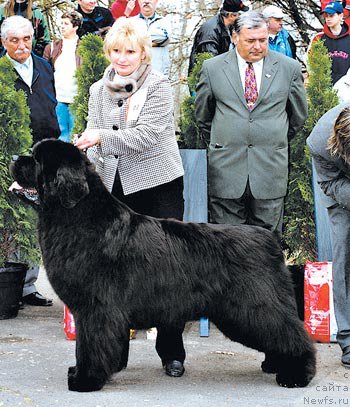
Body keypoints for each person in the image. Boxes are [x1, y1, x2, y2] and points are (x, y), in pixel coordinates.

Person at [74, 17, 185, 378]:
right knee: (114, 275)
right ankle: (114, 356)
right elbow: (95, 139)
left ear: (143, 53)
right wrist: (84, 155)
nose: (122, 58)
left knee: (168, 270)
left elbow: (149, 135)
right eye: (117, 51)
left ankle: (171, 351)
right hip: (115, 189)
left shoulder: (159, 85)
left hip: (158, 186)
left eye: (130, 51)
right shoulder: (96, 90)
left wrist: (101, 137)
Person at [195, 11, 307, 235]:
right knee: (227, 243)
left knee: (268, 244)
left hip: (269, 169)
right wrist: (227, 139)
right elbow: (203, 116)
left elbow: (297, 117)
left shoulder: (289, 69)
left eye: (263, 40)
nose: (257, 46)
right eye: (250, 40)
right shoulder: (212, 69)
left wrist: (271, 139)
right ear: (235, 37)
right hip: (226, 170)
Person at [1, 15, 60, 306]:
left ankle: (27, 285)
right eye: (14, 40)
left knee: (37, 215)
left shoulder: (45, 66)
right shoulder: (0, 70)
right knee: (13, 220)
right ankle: (8, 281)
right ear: (4, 42)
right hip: (12, 151)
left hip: (43, 151)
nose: (22, 45)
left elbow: (51, 102)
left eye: (26, 39)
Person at [306, 103, 350, 368]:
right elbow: (329, 183)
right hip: (342, 192)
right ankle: (348, 339)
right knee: (344, 259)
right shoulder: (320, 142)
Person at [43, 11, 83, 143]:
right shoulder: (52, 47)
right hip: (58, 99)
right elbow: (45, 72)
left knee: (76, 136)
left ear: (75, 26)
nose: (62, 26)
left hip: (77, 100)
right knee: (61, 136)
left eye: (66, 23)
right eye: (61, 23)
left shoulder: (84, 47)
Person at [188, 0, 249, 76]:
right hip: (205, 80)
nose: (240, 18)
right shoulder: (210, 32)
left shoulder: (229, 28)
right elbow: (210, 63)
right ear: (231, 16)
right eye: (239, 14)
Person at [310, 1, 350, 85]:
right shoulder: (318, 38)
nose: (328, 19)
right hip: (325, 88)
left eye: (331, 16)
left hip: (347, 88)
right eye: (326, 16)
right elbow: (311, 63)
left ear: (341, 16)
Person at [133, 0, 171, 76]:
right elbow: (128, 43)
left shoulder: (164, 22)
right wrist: (155, 41)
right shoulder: (131, 22)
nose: (146, 1)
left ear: (156, 1)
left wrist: (139, 42)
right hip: (136, 74)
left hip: (159, 74)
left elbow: (165, 38)